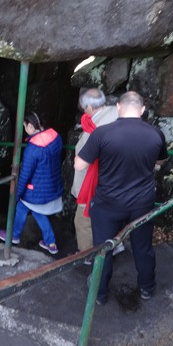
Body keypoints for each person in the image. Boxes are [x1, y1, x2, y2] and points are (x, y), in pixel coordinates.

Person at [74, 91, 168, 305]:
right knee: (143, 246)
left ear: (118, 107)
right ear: (142, 110)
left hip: (108, 202)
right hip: (142, 202)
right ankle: (147, 287)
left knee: (103, 248)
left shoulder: (102, 133)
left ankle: (99, 293)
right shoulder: (156, 134)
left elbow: (79, 165)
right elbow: (161, 161)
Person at [0, 111, 64, 255]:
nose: (24, 129)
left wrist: (17, 194)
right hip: (52, 184)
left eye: (25, 126)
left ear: (31, 126)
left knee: (22, 206)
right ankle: (50, 243)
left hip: (36, 190)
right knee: (37, 212)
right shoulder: (56, 137)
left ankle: (14, 235)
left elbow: (25, 175)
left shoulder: (32, 149)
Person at [71, 88, 121, 263]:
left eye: (85, 108)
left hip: (93, 182)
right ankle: (115, 245)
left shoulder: (97, 128)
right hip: (113, 181)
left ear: (90, 107)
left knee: (83, 220)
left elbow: (83, 160)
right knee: (107, 218)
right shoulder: (116, 115)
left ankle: (88, 255)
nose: (84, 111)